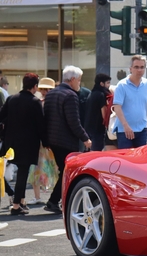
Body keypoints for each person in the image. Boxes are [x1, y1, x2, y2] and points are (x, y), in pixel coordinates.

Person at [44, 66, 91, 213]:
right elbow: (73, 121)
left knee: (64, 171)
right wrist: (85, 138)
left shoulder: (51, 93)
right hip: (66, 141)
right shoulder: (70, 95)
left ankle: (57, 201)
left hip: (52, 139)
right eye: (79, 80)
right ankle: (54, 201)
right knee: (68, 172)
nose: (79, 83)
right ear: (72, 80)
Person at [0, 73, 48, 215]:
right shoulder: (35, 102)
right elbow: (41, 126)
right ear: (35, 86)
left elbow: (1, 117)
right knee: (22, 173)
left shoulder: (11, 99)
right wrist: (45, 142)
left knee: (19, 172)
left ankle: (20, 201)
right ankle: (16, 205)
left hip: (11, 142)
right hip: (28, 143)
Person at [113, 55, 147, 148]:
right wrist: (125, 126)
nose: (139, 70)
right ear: (130, 69)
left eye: (142, 67)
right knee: (126, 160)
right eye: (136, 67)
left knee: (141, 160)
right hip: (125, 130)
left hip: (142, 129)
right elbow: (117, 107)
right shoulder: (122, 85)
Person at [27, 76, 58, 204]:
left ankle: (50, 196)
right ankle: (38, 196)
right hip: (45, 140)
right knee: (38, 168)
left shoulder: (41, 102)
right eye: (43, 89)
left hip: (46, 140)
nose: (45, 92)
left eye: (47, 89)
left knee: (51, 168)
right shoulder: (40, 102)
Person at [84, 73, 111, 152]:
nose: (109, 85)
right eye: (108, 83)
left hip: (88, 129)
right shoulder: (101, 95)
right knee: (96, 153)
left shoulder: (91, 94)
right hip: (98, 130)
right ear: (102, 83)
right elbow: (104, 115)